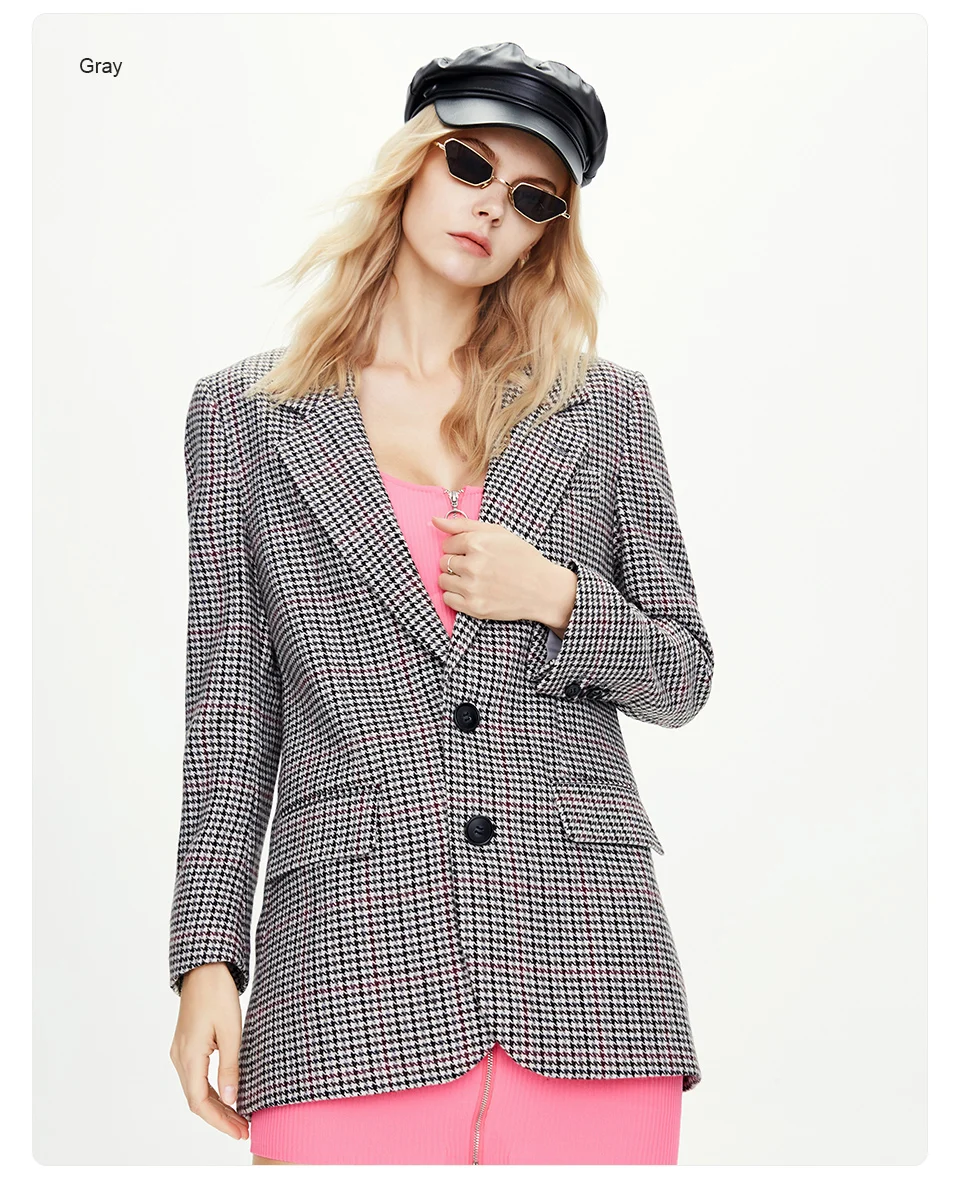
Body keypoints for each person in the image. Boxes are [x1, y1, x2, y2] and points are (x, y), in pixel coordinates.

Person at [167, 42, 715, 1166]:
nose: (493, 206)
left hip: (589, 966)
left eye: (533, 198)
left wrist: (557, 596)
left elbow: (684, 673)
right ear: (412, 162)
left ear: (547, 233)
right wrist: (206, 957)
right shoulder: (244, 417)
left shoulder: (603, 410)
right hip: (343, 963)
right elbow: (230, 718)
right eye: (470, 164)